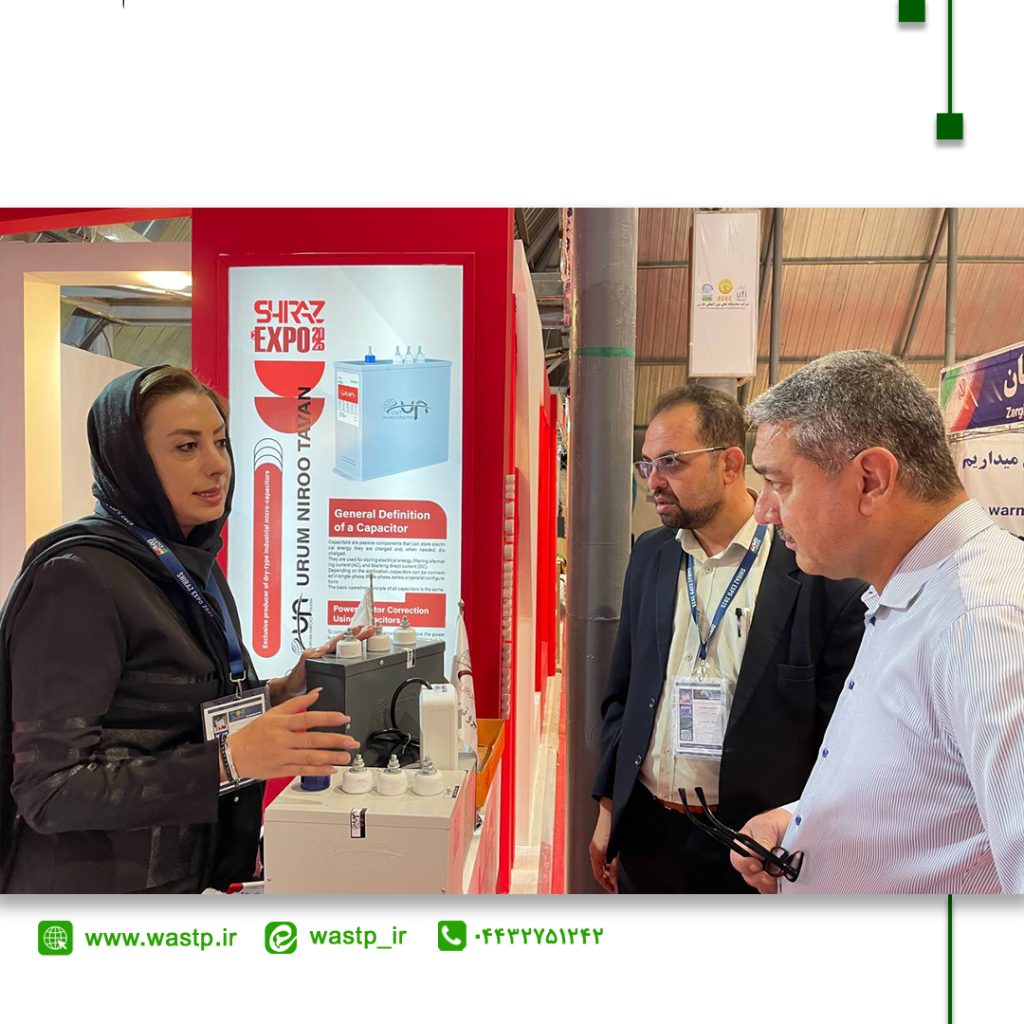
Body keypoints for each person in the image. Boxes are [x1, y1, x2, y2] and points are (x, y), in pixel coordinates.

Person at [0, 366, 366, 894]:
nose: (217, 465)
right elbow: (50, 791)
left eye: (220, 442)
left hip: (193, 880)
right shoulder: (78, 578)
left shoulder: (191, 564)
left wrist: (280, 694)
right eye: (187, 447)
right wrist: (229, 761)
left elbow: (168, 717)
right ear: (132, 462)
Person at [733, 350, 1024, 894]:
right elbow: (932, 794)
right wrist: (802, 821)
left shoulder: (982, 621)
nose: (764, 511)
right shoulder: (913, 594)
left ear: (871, 480)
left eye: (780, 483)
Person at [590, 385, 867, 893]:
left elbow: (843, 739)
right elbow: (623, 696)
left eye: (671, 462)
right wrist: (610, 808)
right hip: (648, 831)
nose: (653, 481)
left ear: (730, 464)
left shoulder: (816, 571)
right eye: (647, 464)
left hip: (754, 849)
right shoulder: (651, 555)